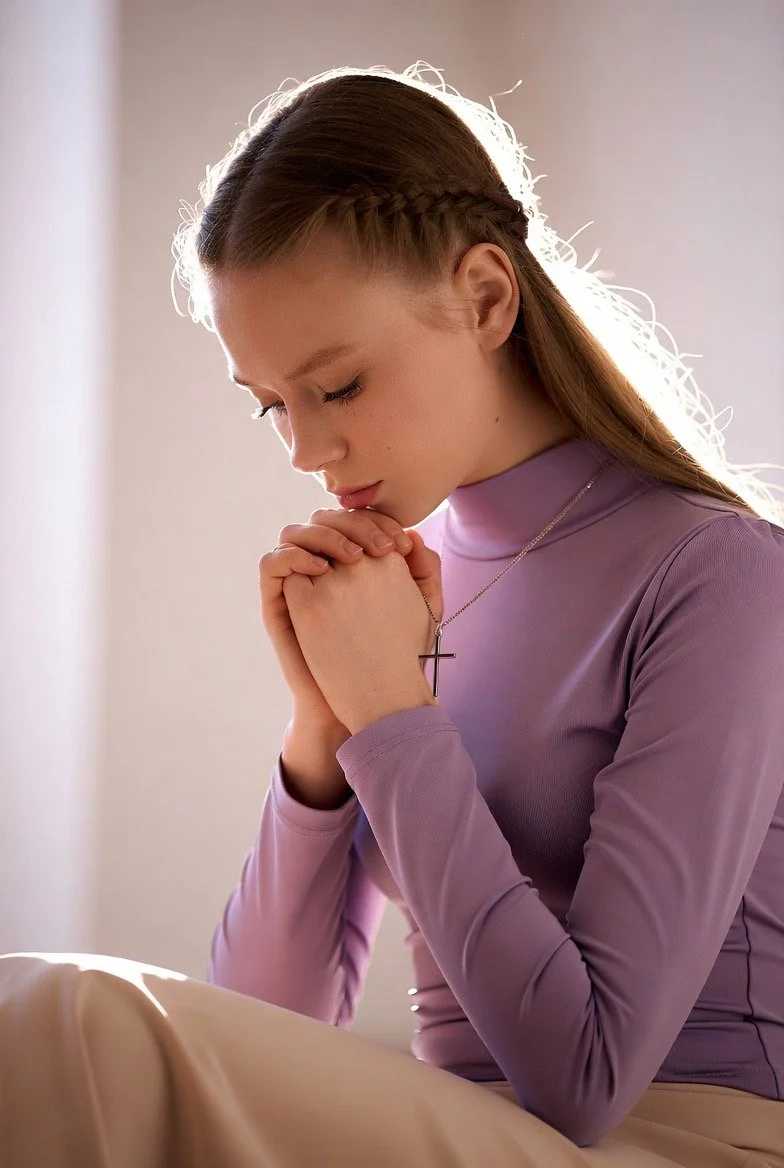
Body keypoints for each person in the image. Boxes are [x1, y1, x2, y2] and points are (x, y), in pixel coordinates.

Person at [1, 61, 783, 1168]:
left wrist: (392, 714)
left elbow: (585, 1080)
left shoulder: (718, 571)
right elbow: (259, 1035)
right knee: (51, 1028)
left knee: (67, 1020)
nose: (306, 449)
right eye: (272, 405)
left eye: (339, 386)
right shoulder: (407, 585)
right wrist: (321, 733)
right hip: (463, 1131)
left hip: (680, 1139)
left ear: (486, 298)